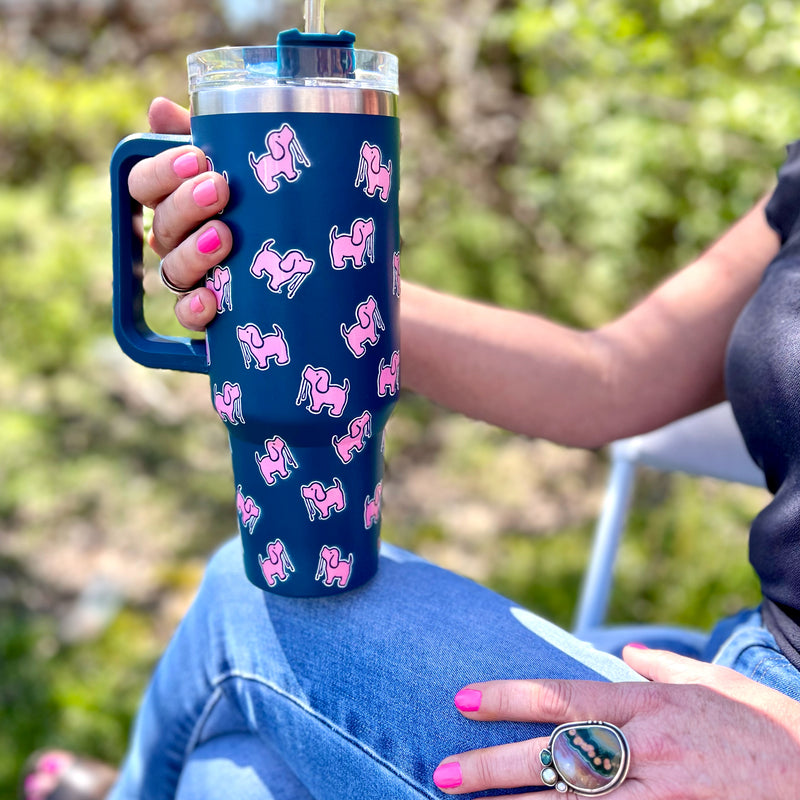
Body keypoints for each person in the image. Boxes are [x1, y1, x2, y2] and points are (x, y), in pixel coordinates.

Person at [22, 95, 800, 800]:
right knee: (232, 778)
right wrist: (306, 275)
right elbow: (611, 376)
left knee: (247, 604)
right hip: (735, 656)